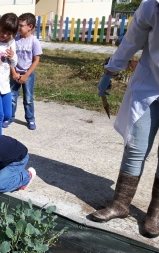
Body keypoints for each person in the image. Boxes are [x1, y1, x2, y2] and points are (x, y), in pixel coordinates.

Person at [89, 0, 159, 239]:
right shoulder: (153, 6)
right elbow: (132, 40)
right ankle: (120, 205)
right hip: (150, 83)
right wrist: (110, 70)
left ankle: (155, 213)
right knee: (135, 146)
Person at [5, 13, 42, 131]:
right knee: (12, 96)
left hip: (28, 75)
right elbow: (9, 58)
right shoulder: (14, 40)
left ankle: (30, 119)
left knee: (28, 98)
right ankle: (10, 117)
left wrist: (26, 75)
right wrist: (14, 72)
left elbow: (36, 61)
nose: (18, 28)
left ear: (30, 26)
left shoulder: (34, 41)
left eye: (21, 25)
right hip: (15, 73)